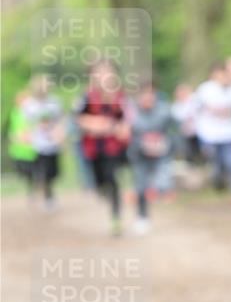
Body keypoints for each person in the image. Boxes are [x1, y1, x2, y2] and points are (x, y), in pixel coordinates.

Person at [76, 60, 131, 235]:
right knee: (100, 183)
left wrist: (116, 128)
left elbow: (126, 123)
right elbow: (80, 120)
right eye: (99, 73)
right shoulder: (87, 97)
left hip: (114, 148)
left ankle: (116, 218)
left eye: (108, 72)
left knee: (112, 178)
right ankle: (104, 192)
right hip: (93, 149)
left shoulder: (120, 98)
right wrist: (100, 125)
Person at [194, 61, 231, 210]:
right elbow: (196, 109)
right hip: (211, 135)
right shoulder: (205, 90)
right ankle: (219, 182)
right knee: (216, 165)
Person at [128, 79, 173, 234]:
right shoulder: (131, 112)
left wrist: (165, 141)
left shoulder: (165, 111)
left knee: (162, 181)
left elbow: (175, 130)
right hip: (139, 154)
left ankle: (159, 192)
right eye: (144, 94)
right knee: (140, 185)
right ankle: (142, 216)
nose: (147, 98)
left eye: (151, 94)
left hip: (161, 155)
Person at [24, 74, 65, 210]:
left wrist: (60, 135)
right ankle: (48, 196)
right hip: (38, 145)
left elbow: (60, 120)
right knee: (44, 172)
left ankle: (44, 190)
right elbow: (24, 124)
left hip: (53, 144)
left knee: (54, 172)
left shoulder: (54, 102)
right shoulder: (29, 104)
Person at [6, 90, 37, 195]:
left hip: (31, 148)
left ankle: (36, 189)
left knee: (34, 171)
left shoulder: (32, 111)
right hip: (19, 149)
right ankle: (32, 188)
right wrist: (14, 136)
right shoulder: (14, 112)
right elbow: (13, 128)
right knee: (24, 172)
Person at [171, 83, 201, 165]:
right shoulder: (175, 107)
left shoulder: (194, 101)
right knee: (189, 151)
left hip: (198, 132)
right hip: (185, 134)